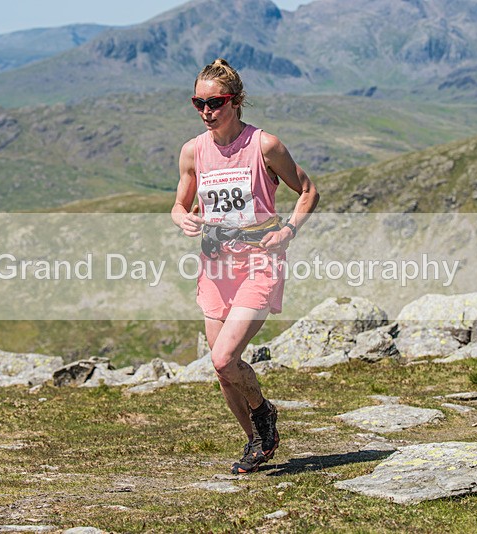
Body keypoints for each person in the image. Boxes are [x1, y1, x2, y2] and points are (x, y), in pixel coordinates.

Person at [171, 59, 319, 473]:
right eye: (197, 102)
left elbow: (308, 191)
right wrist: (181, 217)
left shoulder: (265, 146)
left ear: (235, 102)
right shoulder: (192, 151)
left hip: (259, 262)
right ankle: (257, 440)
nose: (205, 111)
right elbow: (179, 204)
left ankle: (263, 411)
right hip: (216, 267)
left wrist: (289, 230)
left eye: (214, 102)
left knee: (223, 358)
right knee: (224, 371)